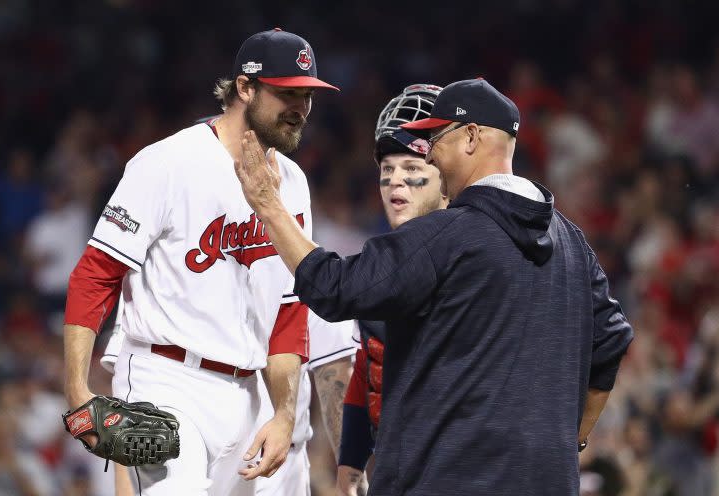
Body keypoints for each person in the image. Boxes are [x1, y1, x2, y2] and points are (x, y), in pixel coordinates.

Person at [233, 78, 634, 495]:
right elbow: (611, 342)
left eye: (436, 140)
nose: (431, 157)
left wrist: (269, 206)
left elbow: (334, 287)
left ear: (472, 137)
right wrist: (571, 440)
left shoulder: (447, 235)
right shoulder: (573, 244)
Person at [62, 28, 339, 496]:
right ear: (245, 88)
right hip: (169, 380)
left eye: (307, 95)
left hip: (251, 392)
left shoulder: (292, 182)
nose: (300, 108)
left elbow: (289, 312)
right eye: (286, 93)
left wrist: (285, 413)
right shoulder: (168, 163)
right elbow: (96, 275)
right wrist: (76, 391)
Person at [100, 302, 357, 496]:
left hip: (280, 467)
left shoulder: (306, 265)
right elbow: (133, 403)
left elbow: (334, 378)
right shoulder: (167, 255)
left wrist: (351, 476)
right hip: (190, 456)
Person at [335, 83, 447, 496]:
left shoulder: (479, 255)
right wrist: (350, 461)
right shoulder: (381, 262)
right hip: (397, 471)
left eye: (412, 168)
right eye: (387, 170)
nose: (396, 181)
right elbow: (369, 368)